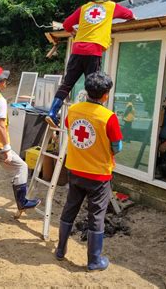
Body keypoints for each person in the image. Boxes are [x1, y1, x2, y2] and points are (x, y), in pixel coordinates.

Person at [55, 71, 123, 271]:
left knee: (70, 209)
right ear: (105, 95)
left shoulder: (74, 110)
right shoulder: (108, 117)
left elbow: (69, 128)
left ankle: (60, 250)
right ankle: (94, 261)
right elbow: (117, 147)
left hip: (75, 169)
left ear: (86, 90)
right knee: (96, 216)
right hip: (98, 175)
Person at [46, 0, 135, 127]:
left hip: (77, 50)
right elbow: (129, 14)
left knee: (67, 84)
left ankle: (52, 112)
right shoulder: (111, 6)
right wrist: (132, 17)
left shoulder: (84, 8)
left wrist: (73, 31)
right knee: (93, 85)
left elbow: (67, 24)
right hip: (93, 50)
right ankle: (89, 116)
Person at [0, 66, 40, 217]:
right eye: (3, 80)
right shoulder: (0, 100)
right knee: (21, 167)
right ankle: (22, 201)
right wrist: (7, 148)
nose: (6, 82)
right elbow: (1, 125)